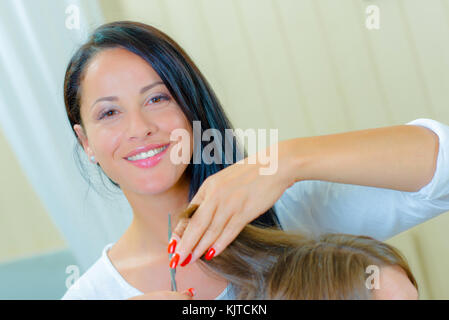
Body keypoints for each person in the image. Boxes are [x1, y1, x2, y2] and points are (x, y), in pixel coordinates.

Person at [61, 20, 449, 300]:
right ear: (86, 142)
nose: (139, 128)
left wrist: (288, 161)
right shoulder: (90, 294)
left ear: (191, 109)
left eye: (157, 98)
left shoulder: (289, 207)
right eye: (109, 113)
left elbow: (441, 170)